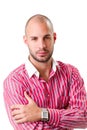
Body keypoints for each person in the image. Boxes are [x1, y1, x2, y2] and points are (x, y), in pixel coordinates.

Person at [3, 14, 87, 130]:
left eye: (46, 37)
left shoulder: (71, 73)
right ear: (26, 41)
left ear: (54, 38)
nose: (42, 45)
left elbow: (83, 118)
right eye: (34, 39)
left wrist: (41, 114)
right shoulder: (14, 82)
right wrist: (66, 117)